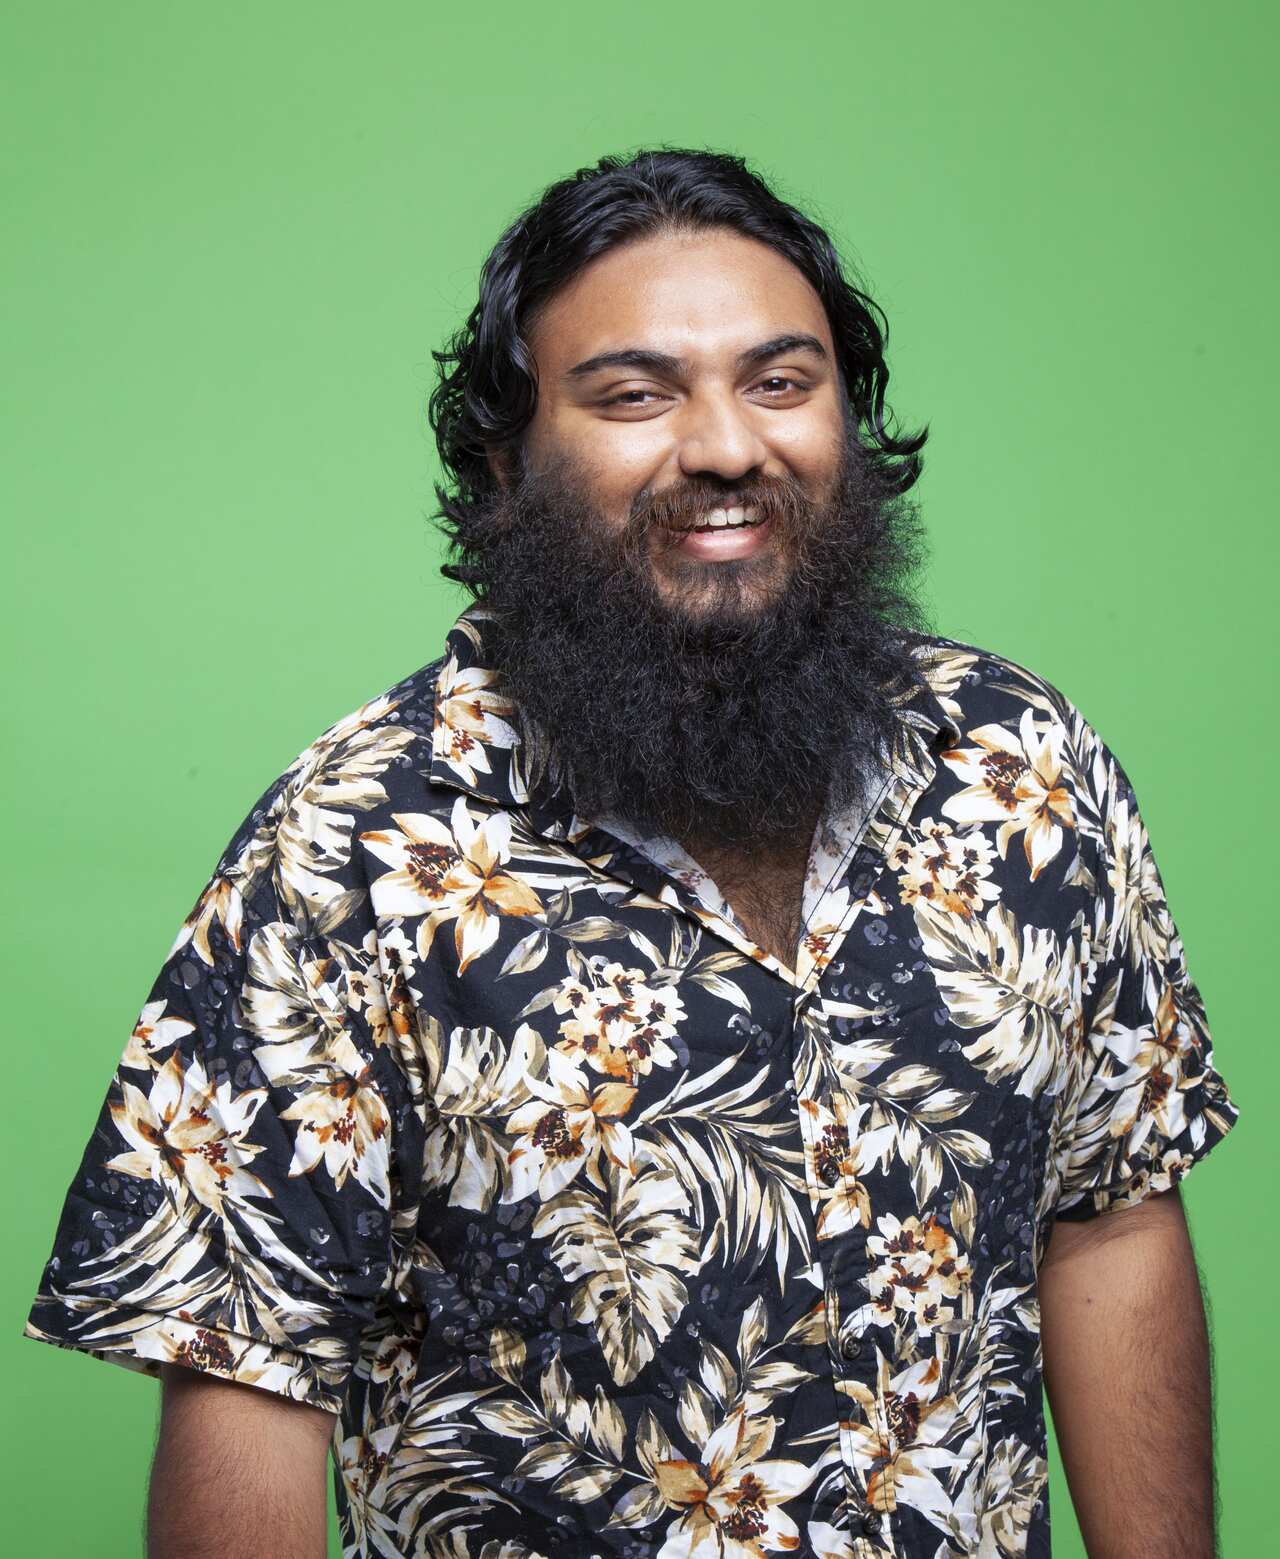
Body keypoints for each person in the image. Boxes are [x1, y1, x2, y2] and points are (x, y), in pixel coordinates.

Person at [25, 148, 1238, 1559]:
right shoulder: (354, 848)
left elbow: (1110, 1219)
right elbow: (247, 1374)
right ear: (505, 460)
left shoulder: (1024, 765)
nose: (727, 445)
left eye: (781, 382)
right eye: (634, 394)